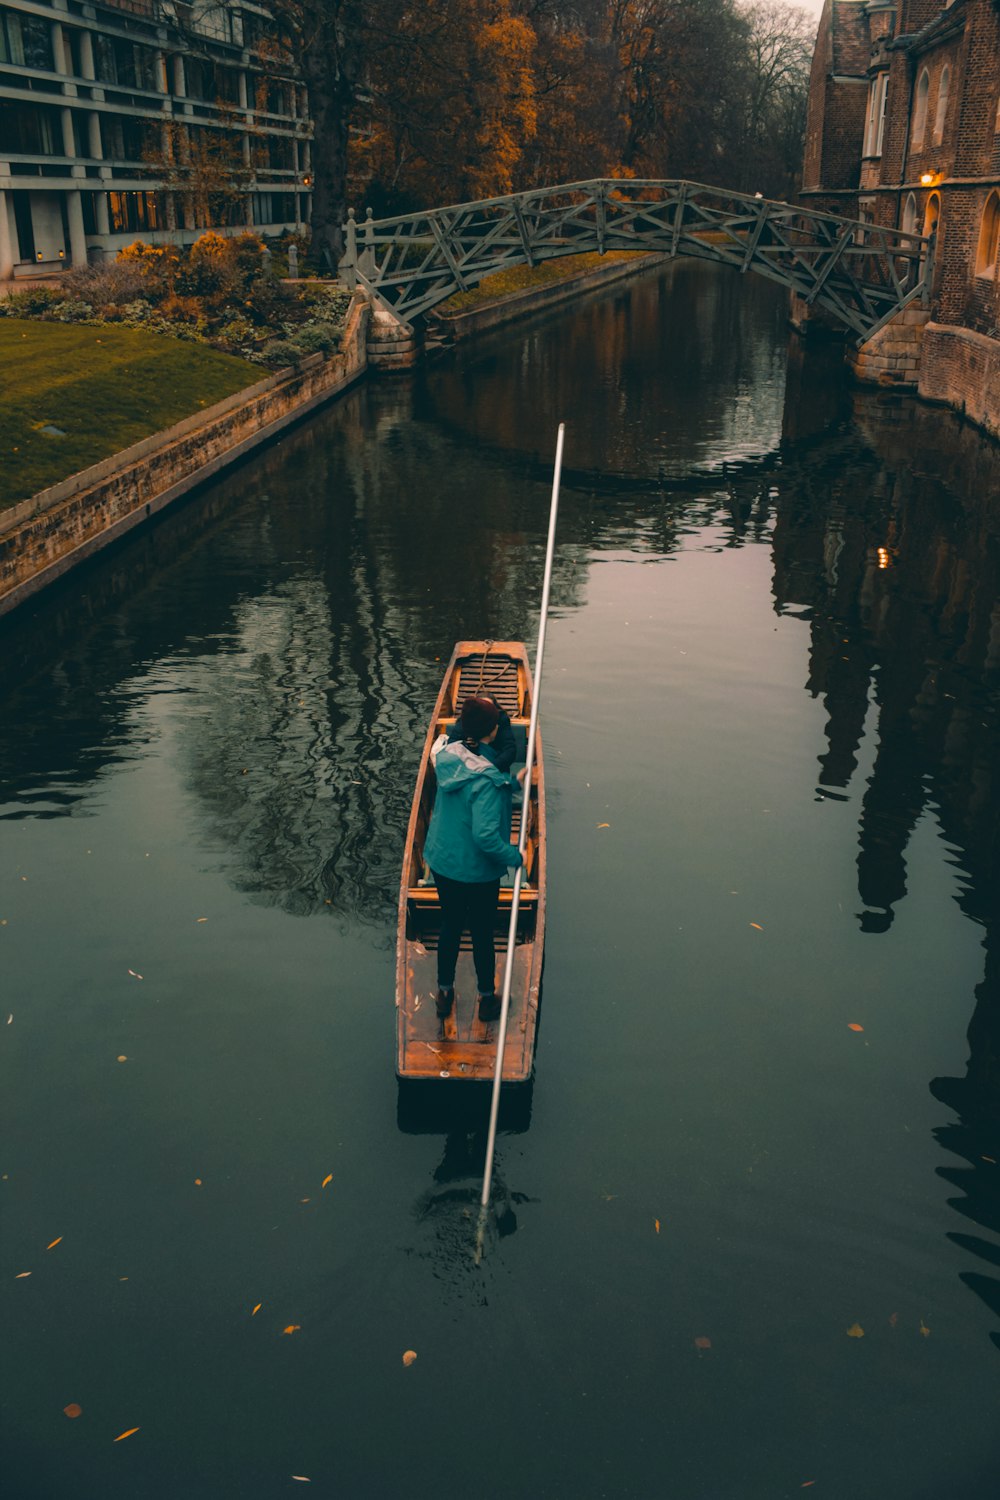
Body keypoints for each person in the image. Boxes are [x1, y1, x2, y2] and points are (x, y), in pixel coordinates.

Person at [423, 695, 523, 1023]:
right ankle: (486, 999)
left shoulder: (447, 755)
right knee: (481, 930)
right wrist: (515, 856)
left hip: (443, 862)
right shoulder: (488, 781)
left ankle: (445, 992)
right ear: (493, 731)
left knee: (451, 924)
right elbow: (485, 839)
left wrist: (509, 783)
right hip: (476, 872)